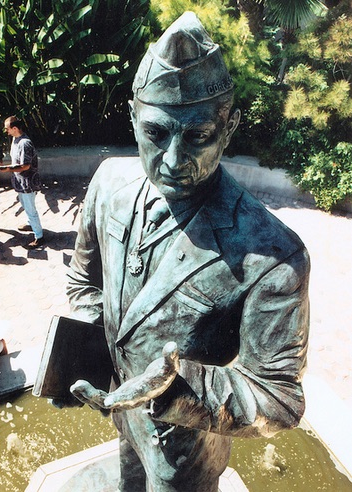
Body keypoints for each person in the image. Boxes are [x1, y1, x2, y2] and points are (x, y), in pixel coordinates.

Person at [61, 12, 310, 492]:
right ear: (133, 116)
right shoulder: (109, 183)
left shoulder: (275, 256)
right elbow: (83, 282)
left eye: (197, 136)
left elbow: (279, 398)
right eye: (155, 134)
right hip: (120, 409)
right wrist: (81, 355)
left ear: (230, 126)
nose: (173, 162)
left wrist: (176, 391)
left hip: (188, 446)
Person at [0, 116, 44, 249]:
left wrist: (8, 169)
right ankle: (32, 224)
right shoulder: (15, 139)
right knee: (25, 205)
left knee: (31, 209)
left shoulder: (25, 143)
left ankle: (39, 236)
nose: (5, 131)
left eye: (7, 128)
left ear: (15, 128)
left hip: (28, 183)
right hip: (20, 182)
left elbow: (25, 166)